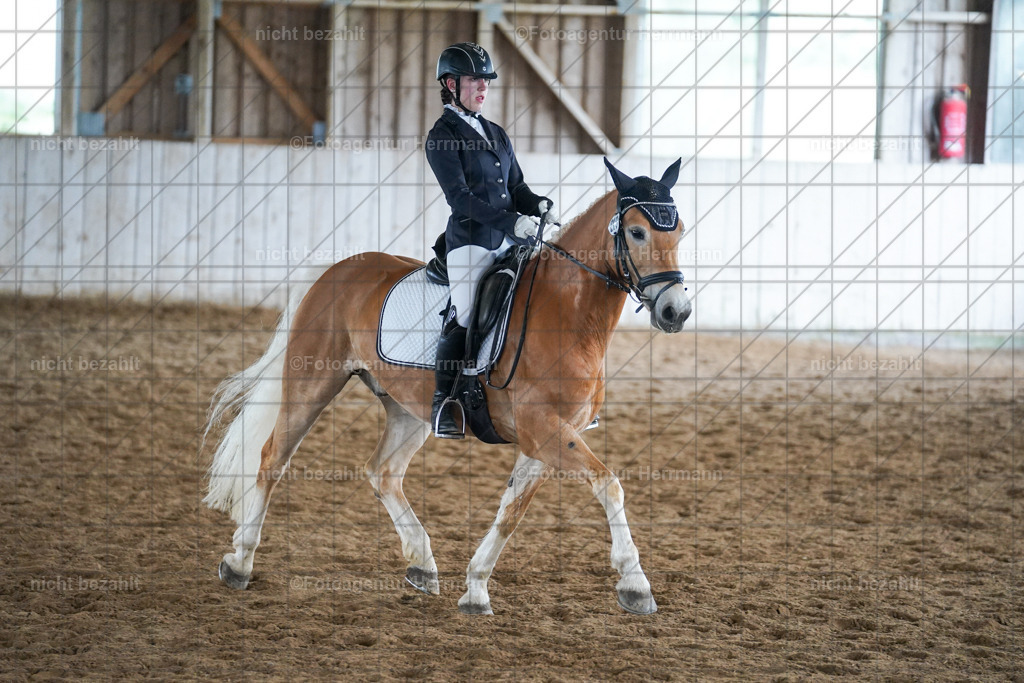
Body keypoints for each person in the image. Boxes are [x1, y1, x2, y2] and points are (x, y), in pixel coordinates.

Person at [425, 42, 558, 439]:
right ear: (450, 84)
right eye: (474, 80)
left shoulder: (496, 132)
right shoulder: (442, 135)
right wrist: (510, 222)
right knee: (465, 314)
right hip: (471, 241)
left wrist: (537, 204)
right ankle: (445, 401)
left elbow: (516, 185)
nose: (483, 87)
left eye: (486, 81)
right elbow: (460, 198)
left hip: (508, 235)